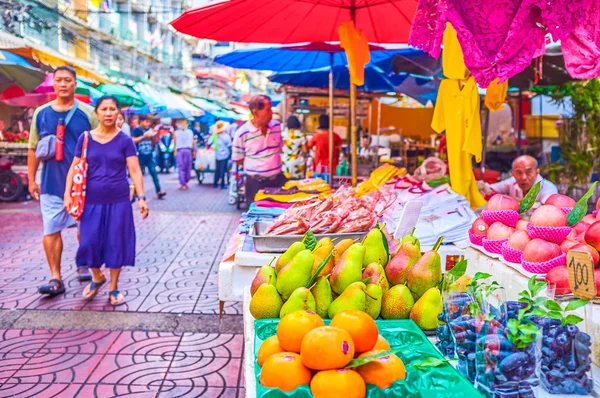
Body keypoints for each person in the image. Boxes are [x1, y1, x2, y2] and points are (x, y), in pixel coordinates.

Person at [64, 95, 149, 306]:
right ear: (97, 113)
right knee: (87, 242)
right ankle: (97, 276)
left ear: (118, 113)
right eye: (104, 109)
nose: (109, 113)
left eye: (112, 109)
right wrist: (67, 194)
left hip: (118, 201)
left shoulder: (125, 140)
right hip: (89, 201)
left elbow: (135, 170)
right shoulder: (85, 138)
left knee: (115, 243)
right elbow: (74, 167)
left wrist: (142, 197)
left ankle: (113, 287)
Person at [27, 66, 99, 294]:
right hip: (50, 182)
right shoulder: (41, 113)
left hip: (83, 184)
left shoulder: (88, 113)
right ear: (54, 84)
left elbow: (101, 143)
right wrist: (31, 179)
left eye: (68, 80)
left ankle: (83, 263)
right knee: (51, 230)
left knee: (85, 228)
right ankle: (55, 278)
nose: (63, 84)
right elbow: (32, 148)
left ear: (75, 84)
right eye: (59, 80)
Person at [232, 95, 286, 203]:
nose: (271, 113)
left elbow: (280, 147)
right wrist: (256, 166)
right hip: (255, 183)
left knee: (280, 216)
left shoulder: (277, 127)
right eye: (268, 109)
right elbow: (238, 158)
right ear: (256, 112)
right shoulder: (242, 133)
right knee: (256, 217)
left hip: (278, 180)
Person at [484, 155, 558, 204]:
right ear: (512, 173)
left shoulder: (548, 188)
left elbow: (551, 210)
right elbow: (490, 190)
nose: (523, 177)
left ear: (537, 172)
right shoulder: (511, 182)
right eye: (518, 173)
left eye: (528, 172)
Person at [131, 115, 166, 199]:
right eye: (146, 122)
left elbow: (154, 143)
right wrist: (144, 137)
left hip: (149, 156)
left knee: (154, 173)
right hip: (139, 156)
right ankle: (134, 192)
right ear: (141, 121)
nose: (148, 124)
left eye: (149, 122)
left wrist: (153, 136)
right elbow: (133, 140)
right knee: (139, 175)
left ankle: (159, 191)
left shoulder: (149, 130)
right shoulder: (136, 130)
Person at [281, 115, 308, 179]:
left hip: (285, 162)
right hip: (298, 163)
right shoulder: (301, 134)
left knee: (286, 184)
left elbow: (279, 149)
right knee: (298, 184)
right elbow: (305, 150)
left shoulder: (283, 134)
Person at [174, 118, 196, 190]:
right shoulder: (190, 132)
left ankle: (183, 184)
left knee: (181, 167)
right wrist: (194, 151)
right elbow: (193, 143)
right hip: (188, 150)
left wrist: (175, 152)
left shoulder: (176, 133)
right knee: (188, 166)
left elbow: (175, 143)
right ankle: (186, 181)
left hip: (180, 151)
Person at [210, 120, 232, 189]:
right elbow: (229, 145)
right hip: (225, 155)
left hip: (217, 155)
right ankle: (222, 184)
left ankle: (215, 183)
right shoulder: (226, 136)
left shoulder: (214, 136)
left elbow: (209, 143)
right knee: (223, 170)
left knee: (217, 170)